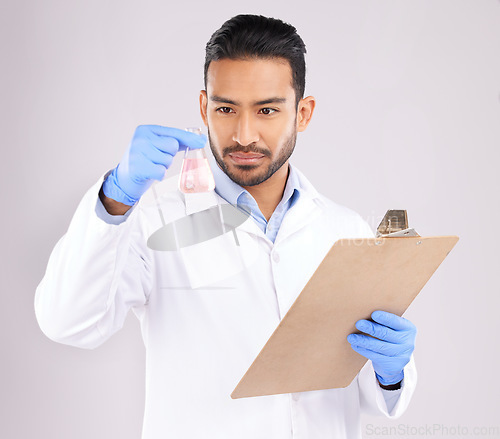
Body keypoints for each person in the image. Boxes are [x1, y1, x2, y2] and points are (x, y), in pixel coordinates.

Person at [35, 14, 417, 439]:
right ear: (204, 107)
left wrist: (391, 370)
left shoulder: (345, 231)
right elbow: (67, 322)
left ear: (303, 113)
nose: (243, 134)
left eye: (267, 110)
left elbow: (366, 393)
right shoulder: (152, 218)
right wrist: (115, 197)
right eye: (225, 109)